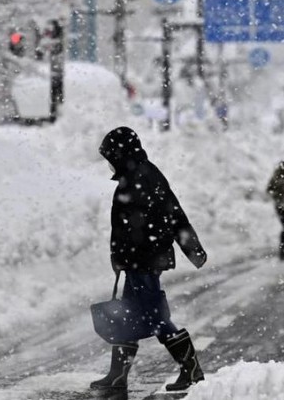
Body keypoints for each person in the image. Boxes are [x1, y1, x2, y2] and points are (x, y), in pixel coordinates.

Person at [91, 126, 208, 393]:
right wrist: (119, 257)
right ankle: (117, 376)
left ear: (121, 154)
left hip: (144, 261)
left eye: (110, 157)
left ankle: (191, 369)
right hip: (137, 261)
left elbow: (171, 213)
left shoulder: (144, 176)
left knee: (155, 316)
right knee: (128, 315)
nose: (109, 164)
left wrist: (192, 248)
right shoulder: (135, 175)